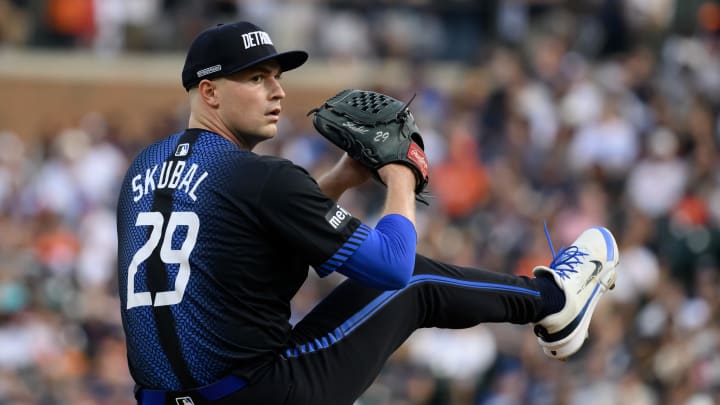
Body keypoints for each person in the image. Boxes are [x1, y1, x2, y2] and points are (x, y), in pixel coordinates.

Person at [116, 21, 620, 405]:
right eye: (257, 77)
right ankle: (554, 299)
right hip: (260, 392)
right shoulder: (263, 178)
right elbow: (392, 266)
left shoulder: (141, 171)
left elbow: (253, 258)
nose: (279, 91)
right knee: (413, 283)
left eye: (277, 76)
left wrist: (339, 180)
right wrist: (400, 175)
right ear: (209, 91)